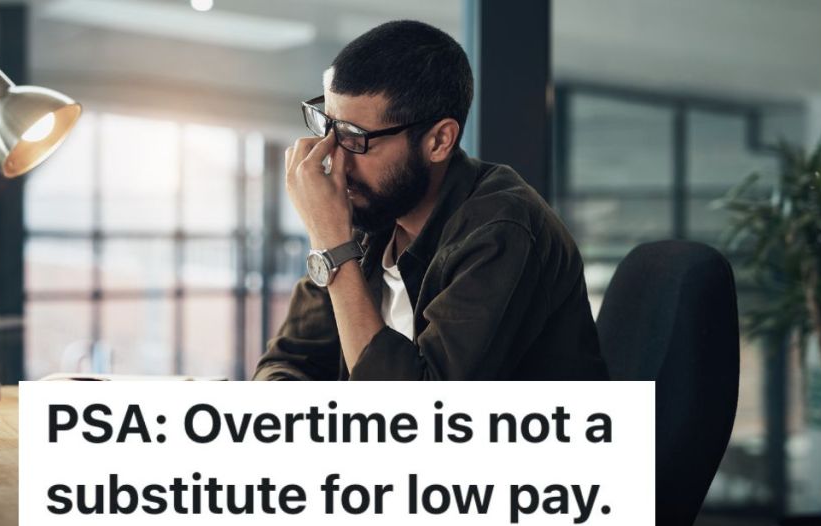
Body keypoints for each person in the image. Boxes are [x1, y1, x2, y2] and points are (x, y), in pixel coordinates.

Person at [253, 20, 606, 381]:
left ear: (439, 141)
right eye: (328, 128)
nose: (334, 161)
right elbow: (287, 362)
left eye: (355, 138)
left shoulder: (501, 231)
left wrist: (333, 248)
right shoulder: (370, 216)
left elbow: (420, 419)